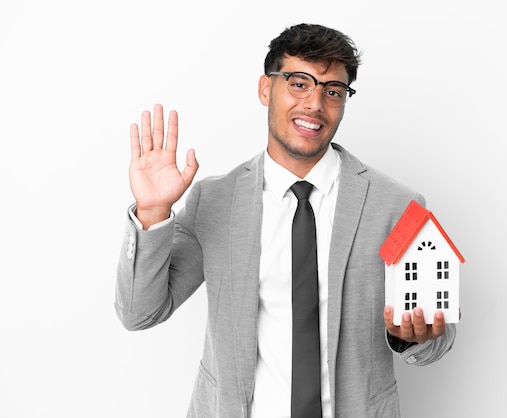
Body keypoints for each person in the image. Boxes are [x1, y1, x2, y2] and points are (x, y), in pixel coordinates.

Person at [115, 23, 456, 418]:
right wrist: (153, 212)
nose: (314, 104)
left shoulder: (399, 206)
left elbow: (438, 340)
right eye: (298, 83)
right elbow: (139, 313)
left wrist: (410, 338)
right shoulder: (215, 201)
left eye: (332, 91)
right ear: (266, 89)